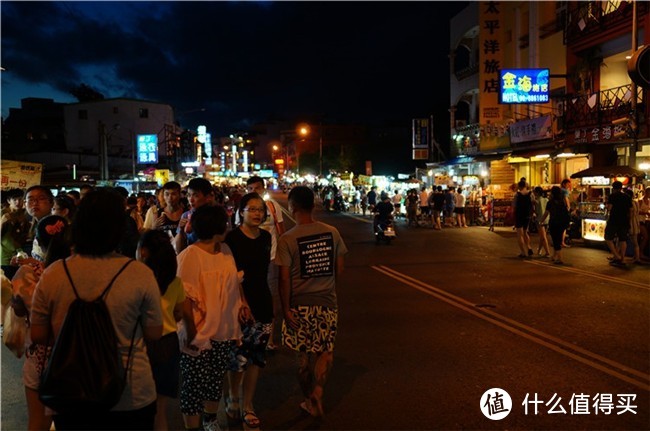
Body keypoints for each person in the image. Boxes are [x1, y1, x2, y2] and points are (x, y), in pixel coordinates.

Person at [30, 188, 163, 430]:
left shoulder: (54, 274)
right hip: (130, 391)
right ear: (118, 228)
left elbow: (38, 335)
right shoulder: (139, 274)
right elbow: (154, 332)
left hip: (70, 388)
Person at [176, 205, 249, 431]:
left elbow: (234, 281)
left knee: (215, 379)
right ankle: (193, 427)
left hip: (224, 328)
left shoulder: (225, 250)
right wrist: (190, 331)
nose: (228, 226)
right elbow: (183, 297)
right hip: (198, 333)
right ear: (214, 227)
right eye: (225, 223)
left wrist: (243, 303)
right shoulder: (189, 256)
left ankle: (210, 419)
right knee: (194, 385)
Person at [276, 186, 348, 417]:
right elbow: (339, 270)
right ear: (314, 204)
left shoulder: (287, 239)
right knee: (325, 351)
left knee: (303, 356)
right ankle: (318, 391)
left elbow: (284, 279)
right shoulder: (332, 233)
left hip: (299, 305)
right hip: (327, 302)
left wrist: (286, 309)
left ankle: (308, 399)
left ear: (292, 206)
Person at [11, 215, 71, 431]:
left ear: (38, 242)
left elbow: (18, 308)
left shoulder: (27, 273)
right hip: (76, 354)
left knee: (38, 423)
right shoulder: (79, 274)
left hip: (40, 356)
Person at [224, 193, 273, 429]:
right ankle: (233, 396)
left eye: (260, 209)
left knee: (256, 358)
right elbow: (232, 275)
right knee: (237, 357)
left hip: (263, 302)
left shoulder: (266, 236)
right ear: (240, 212)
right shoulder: (231, 239)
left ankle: (248, 405)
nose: (257, 213)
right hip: (238, 304)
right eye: (251, 209)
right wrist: (241, 302)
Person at [136, 230, 186, 431]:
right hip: (168, 346)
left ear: (144, 252)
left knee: (137, 409)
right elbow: (179, 313)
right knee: (159, 410)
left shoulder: (137, 281)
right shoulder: (175, 282)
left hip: (141, 345)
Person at [242, 176, 285, 351]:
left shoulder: (273, 207)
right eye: (250, 189)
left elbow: (281, 232)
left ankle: (268, 338)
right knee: (250, 297)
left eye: (257, 188)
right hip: (250, 261)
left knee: (271, 299)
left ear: (263, 189)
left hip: (272, 259)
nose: (254, 192)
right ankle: (251, 333)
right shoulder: (243, 209)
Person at [174, 178, 215, 254]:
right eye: (189, 195)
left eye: (195, 195)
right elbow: (179, 250)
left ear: (207, 197)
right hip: (192, 257)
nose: (191, 200)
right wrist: (181, 230)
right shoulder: (186, 216)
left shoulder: (216, 216)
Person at [1, 189, 30, 277]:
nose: (18, 202)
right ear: (9, 201)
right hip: (4, 257)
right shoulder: (3, 213)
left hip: (19, 255)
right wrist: (2, 222)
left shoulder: (24, 214)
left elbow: (25, 235)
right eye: (15, 200)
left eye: (21, 199)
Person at [603, 181, 633, 267]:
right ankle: (622, 259)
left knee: (608, 238)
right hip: (624, 221)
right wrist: (629, 221)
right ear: (621, 187)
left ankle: (617, 256)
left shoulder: (612, 196)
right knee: (622, 239)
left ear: (613, 188)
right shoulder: (627, 197)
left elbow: (609, 208)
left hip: (614, 220)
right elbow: (631, 211)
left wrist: (606, 206)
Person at [539, 186, 571, 265]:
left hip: (554, 222)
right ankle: (554, 256)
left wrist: (541, 221)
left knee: (556, 241)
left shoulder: (550, 202)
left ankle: (560, 259)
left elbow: (546, 213)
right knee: (558, 239)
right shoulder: (562, 201)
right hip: (562, 223)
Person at [23, 185, 55, 257]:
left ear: (52, 203)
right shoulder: (36, 225)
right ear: (25, 204)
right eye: (31, 199)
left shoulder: (55, 226)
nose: (35, 203)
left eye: (41, 198)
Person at [513, 179, 533, 258]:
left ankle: (523, 252)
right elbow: (533, 203)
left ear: (519, 186)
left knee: (519, 234)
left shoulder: (517, 195)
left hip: (519, 215)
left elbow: (514, 205)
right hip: (527, 215)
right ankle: (529, 247)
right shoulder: (531, 194)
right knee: (525, 232)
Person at [624, 188, 642, 264]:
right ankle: (637, 257)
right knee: (635, 241)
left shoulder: (628, 203)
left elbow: (629, 215)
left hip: (631, 223)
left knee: (622, 240)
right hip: (636, 222)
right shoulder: (636, 202)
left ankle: (637, 258)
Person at [532, 187, 551, 257]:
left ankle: (547, 252)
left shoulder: (536, 201)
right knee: (542, 236)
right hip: (547, 219)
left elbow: (536, 212)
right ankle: (539, 250)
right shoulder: (546, 200)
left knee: (543, 237)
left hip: (540, 220)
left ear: (537, 192)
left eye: (534, 192)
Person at [637, 187, 650, 259]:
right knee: (645, 237)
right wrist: (646, 213)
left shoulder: (649, 201)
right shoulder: (640, 201)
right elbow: (637, 212)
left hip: (644, 221)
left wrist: (647, 213)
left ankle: (637, 254)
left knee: (639, 238)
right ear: (646, 192)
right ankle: (640, 253)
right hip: (639, 221)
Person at [560, 179, 572, 247]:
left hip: (558, 210)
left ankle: (559, 241)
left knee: (560, 227)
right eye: (567, 184)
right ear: (564, 184)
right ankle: (562, 242)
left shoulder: (559, 190)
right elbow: (566, 199)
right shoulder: (565, 191)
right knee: (564, 227)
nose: (568, 186)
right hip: (564, 211)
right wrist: (568, 207)